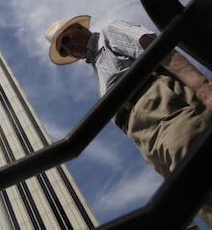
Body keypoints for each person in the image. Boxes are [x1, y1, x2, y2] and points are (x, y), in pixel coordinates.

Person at [45, 15, 212, 229]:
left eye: (66, 40)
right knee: (187, 197)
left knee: (196, 167)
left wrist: (201, 85)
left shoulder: (110, 32)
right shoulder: (98, 69)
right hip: (143, 134)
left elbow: (158, 48)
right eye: (63, 51)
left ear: (77, 28)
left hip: (158, 105)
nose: (70, 50)